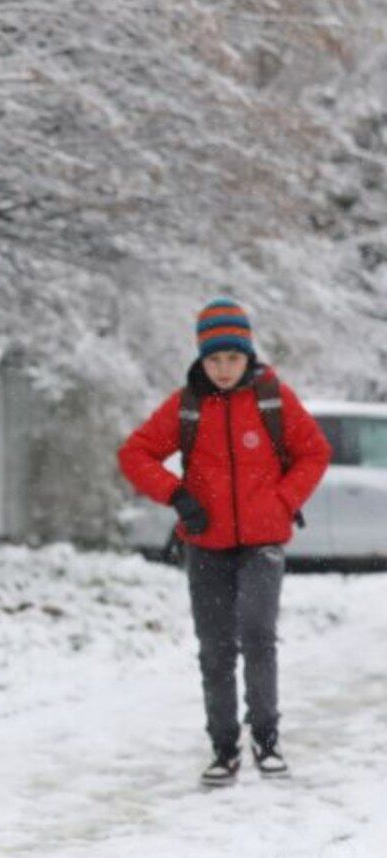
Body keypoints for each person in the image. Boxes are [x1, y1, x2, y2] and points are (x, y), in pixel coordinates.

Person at [118, 298, 330, 786]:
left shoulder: (272, 398)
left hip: (263, 542)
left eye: (232, 358)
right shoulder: (187, 404)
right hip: (205, 543)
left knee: (257, 633)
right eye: (214, 359)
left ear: (247, 354)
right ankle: (223, 747)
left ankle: (267, 739)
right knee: (215, 648)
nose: (223, 369)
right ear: (201, 359)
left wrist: (283, 500)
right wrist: (176, 494)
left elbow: (314, 451)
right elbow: (135, 454)